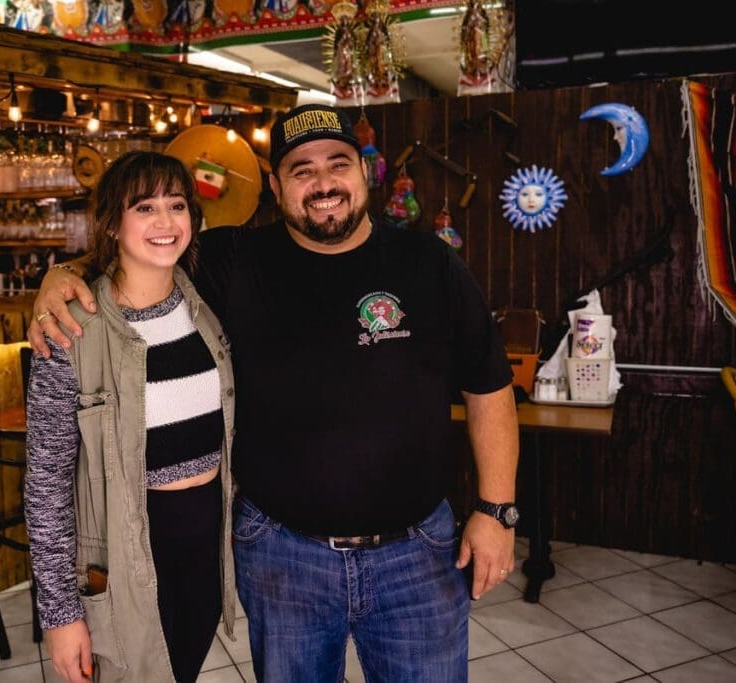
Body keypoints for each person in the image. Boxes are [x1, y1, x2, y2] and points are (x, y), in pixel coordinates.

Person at [29, 104, 520, 682]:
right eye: (301, 170)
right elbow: (142, 253)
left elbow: (489, 386)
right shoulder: (232, 260)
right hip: (283, 556)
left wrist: (496, 511)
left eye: (337, 164)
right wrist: (59, 276)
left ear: (365, 172)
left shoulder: (429, 263)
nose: (323, 183)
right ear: (275, 185)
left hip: (416, 553)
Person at [24, 151, 237, 683]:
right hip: (125, 556)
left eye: (177, 205)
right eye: (145, 207)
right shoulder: (71, 331)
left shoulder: (207, 305)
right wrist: (60, 615)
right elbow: (46, 482)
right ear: (113, 224)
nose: (166, 222)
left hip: (205, 545)